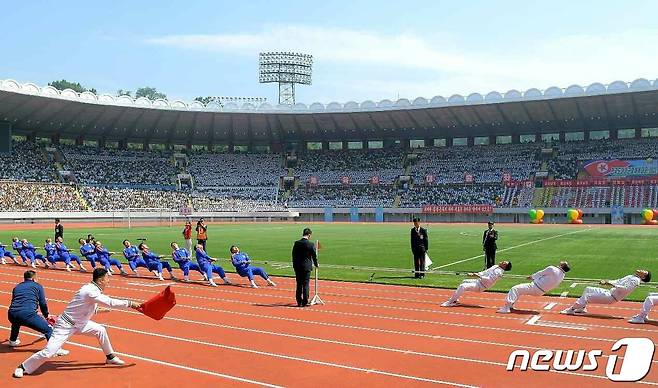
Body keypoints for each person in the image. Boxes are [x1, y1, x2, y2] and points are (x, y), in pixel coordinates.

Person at [13, 268, 142, 378]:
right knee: (49, 352)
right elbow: (110, 302)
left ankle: (110, 357)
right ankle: (23, 367)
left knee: (100, 330)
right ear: (101, 280)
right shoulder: (90, 290)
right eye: (107, 278)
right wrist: (131, 303)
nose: (108, 281)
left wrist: (98, 310)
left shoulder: (92, 289)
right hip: (66, 325)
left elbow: (84, 306)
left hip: (81, 323)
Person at [7, 270, 69, 356]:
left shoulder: (17, 287)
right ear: (34, 279)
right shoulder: (37, 286)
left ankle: (12, 341)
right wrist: (46, 315)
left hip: (11, 313)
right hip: (27, 314)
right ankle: (55, 349)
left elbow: (14, 300)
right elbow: (42, 303)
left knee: (16, 322)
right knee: (48, 330)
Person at [562, 270, 651, 315]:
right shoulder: (631, 276)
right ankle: (582, 308)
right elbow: (618, 281)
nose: (642, 270)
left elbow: (625, 289)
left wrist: (609, 284)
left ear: (643, 277)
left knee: (587, 296)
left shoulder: (636, 280)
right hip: (609, 292)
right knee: (588, 289)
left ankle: (571, 309)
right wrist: (608, 281)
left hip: (611, 297)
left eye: (644, 272)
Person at [497, 261, 570, 314]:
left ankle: (506, 308)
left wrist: (532, 277)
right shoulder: (562, 276)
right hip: (541, 291)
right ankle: (510, 305)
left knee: (514, 288)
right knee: (519, 291)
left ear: (562, 266)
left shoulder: (552, 268)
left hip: (535, 287)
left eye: (564, 262)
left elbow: (540, 273)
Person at [442, 261, 512, 307]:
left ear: (504, 267)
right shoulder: (495, 266)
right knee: (464, 281)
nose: (502, 261)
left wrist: (477, 275)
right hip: (478, 281)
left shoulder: (499, 272)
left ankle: (450, 302)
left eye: (504, 263)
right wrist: (476, 274)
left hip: (481, 286)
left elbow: (489, 280)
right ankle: (454, 300)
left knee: (463, 286)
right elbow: (484, 272)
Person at [292, 228, 318, 307]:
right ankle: (305, 301)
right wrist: (316, 264)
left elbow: (293, 255)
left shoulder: (296, 243)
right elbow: (314, 256)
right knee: (306, 284)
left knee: (299, 284)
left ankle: (299, 301)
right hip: (306, 267)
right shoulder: (311, 244)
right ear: (309, 235)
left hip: (297, 267)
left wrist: (295, 265)